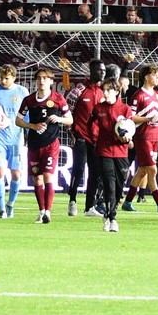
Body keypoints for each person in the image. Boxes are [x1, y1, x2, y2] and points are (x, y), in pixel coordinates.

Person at [16, 68, 73, 224]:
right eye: (39, 78)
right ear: (36, 80)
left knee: (48, 175)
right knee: (37, 179)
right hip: (34, 144)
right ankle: (41, 211)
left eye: (45, 78)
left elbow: (70, 120)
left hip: (51, 144)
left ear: (51, 81)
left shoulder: (58, 99)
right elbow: (18, 121)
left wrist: (59, 119)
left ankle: (48, 211)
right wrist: (32, 126)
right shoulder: (29, 100)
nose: (42, 81)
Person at [122, 65, 158, 214]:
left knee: (143, 171)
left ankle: (128, 202)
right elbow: (130, 117)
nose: (157, 77)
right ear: (146, 77)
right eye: (155, 74)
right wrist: (147, 118)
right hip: (143, 137)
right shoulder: (138, 96)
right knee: (152, 170)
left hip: (155, 136)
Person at [89, 79, 134, 232]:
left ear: (116, 91)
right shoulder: (98, 108)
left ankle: (110, 213)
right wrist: (95, 137)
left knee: (119, 186)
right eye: (104, 90)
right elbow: (91, 124)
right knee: (109, 184)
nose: (105, 93)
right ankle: (112, 218)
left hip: (121, 152)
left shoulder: (125, 109)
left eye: (108, 90)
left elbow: (129, 128)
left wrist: (127, 138)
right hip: (104, 151)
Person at [0, 65, 29, 219]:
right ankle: (1, 210)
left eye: (7, 78)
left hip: (16, 140)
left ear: (14, 78)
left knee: (16, 174)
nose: (3, 81)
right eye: (2, 78)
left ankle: (10, 204)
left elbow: (28, 115)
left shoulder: (22, 92)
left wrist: (30, 131)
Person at [67, 58, 106, 217]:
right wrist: (72, 132)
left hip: (96, 140)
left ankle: (89, 207)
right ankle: (72, 200)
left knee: (95, 173)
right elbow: (67, 112)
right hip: (81, 137)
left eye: (103, 70)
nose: (102, 73)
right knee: (79, 169)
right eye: (99, 70)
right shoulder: (78, 91)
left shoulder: (102, 92)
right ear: (91, 71)